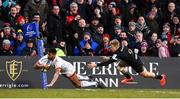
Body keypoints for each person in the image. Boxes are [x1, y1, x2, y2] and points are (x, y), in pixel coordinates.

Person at [87, 39, 166, 87]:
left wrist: (96, 65)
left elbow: (108, 63)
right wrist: (109, 57)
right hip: (128, 59)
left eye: (111, 47)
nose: (110, 48)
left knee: (145, 75)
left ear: (115, 46)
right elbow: (118, 56)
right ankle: (129, 78)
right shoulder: (120, 47)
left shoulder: (120, 53)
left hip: (135, 62)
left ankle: (161, 77)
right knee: (118, 66)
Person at [34, 48, 104, 88]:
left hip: (68, 70)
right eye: (48, 54)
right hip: (64, 70)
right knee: (75, 79)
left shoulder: (58, 61)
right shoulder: (46, 57)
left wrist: (51, 83)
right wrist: (42, 66)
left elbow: (57, 73)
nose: (48, 56)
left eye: (49, 54)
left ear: (54, 55)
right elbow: (35, 66)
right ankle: (88, 77)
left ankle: (95, 83)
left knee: (78, 85)